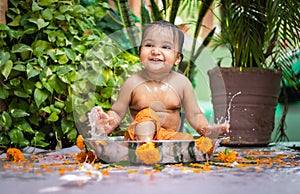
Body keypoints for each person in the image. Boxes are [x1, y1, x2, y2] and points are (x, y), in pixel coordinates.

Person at [92, 20, 229, 140]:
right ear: (140, 51)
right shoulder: (132, 83)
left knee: (189, 140)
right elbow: (117, 112)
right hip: (139, 140)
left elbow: (194, 115)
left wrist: (207, 129)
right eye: (149, 45)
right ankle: (146, 147)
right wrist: (108, 123)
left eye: (165, 47)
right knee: (146, 120)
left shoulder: (182, 83)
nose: (156, 51)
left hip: (168, 139)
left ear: (177, 59)